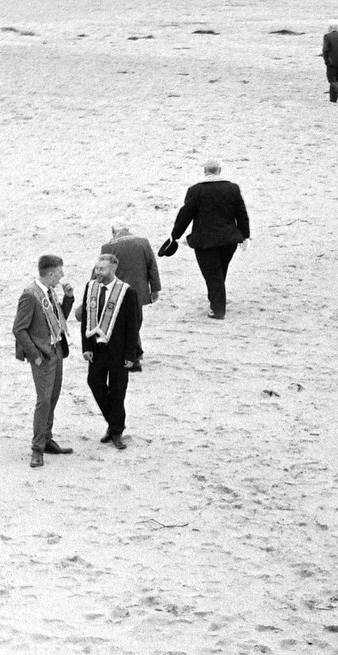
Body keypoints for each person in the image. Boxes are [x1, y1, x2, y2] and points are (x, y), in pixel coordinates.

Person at [164, 160, 250, 320]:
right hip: (229, 239)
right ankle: (217, 300)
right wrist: (245, 236)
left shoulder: (195, 190)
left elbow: (185, 215)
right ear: (219, 171)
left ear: (205, 171)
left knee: (212, 274)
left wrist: (175, 235)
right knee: (220, 271)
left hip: (205, 240)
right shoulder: (232, 188)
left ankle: (218, 310)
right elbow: (242, 214)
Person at [13, 255, 75, 468]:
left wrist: (68, 299)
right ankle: (37, 448)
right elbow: (19, 329)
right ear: (50, 274)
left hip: (56, 350)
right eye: (59, 272)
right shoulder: (31, 295)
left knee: (54, 396)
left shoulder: (49, 291)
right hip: (43, 355)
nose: (62, 276)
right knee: (44, 400)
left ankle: (47, 439)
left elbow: (59, 319)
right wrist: (35, 356)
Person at [76, 253, 137, 449]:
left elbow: (132, 326)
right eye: (96, 268)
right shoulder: (90, 287)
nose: (97, 272)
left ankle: (116, 431)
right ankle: (115, 423)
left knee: (118, 391)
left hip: (119, 351)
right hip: (97, 349)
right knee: (94, 383)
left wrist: (130, 355)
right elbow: (86, 319)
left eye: (101, 269)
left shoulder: (127, 292)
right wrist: (86, 347)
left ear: (113, 270)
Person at [101, 221, 161, 372]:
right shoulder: (143, 243)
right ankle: (134, 358)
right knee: (135, 323)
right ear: (127, 229)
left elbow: (102, 271)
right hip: (138, 292)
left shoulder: (108, 247)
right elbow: (152, 266)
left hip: (117, 292)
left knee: (123, 326)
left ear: (114, 231)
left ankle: (132, 358)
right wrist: (155, 289)